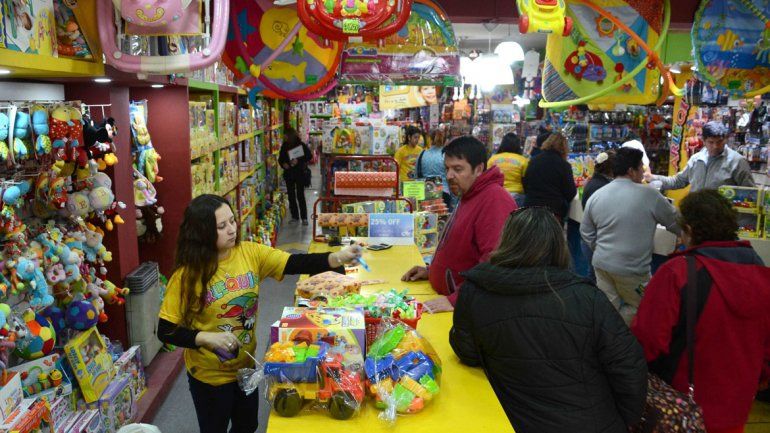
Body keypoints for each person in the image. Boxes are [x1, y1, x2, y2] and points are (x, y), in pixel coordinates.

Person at [157, 195, 363, 433]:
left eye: (232, 221)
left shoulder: (249, 253)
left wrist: (337, 257)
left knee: (247, 425)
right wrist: (204, 337)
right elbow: (165, 330)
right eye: (222, 226)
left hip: (246, 365)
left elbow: (294, 263)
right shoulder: (187, 276)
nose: (232, 229)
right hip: (209, 376)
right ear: (202, 232)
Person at [450, 207, 647, 433]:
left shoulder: (475, 291)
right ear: (558, 245)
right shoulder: (587, 298)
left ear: (507, 241)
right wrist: (625, 418)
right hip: (592, 421)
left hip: (512, 420)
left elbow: (466, 351)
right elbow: (629, 367)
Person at [632, 190, 770, 433]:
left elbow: (648, 340)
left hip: (682, 407)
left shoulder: (677, 273)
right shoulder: (762, 275)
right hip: (737, 405)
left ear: (690, 230)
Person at [401, 136, 516, 310]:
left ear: (478, 169)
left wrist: (456, 300)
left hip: (467, 309)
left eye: (457, 169)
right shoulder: (470, 193)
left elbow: (495, 263)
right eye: (447, 168)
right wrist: (431, 271)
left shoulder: (494, 199)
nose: (449, 176)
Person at [581, 147, 680, 324]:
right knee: (641, 307)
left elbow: (586, 232)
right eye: (641, 166)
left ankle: (607, 340)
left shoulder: (597, 195)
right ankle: (621, 341)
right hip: (632, 270)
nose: (644, 171)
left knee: (607, 307)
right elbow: (675, 222)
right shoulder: (649, 195)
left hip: (602, 265)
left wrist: (602, 249)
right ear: (630, 170)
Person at [645, 121, 755, 191]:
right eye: (711, 142)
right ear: (704, 141)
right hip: (697, 218)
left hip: (723, 222)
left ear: (726, 139)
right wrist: (653, 178)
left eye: (719, 142)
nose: (715, 146)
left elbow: (750, 193)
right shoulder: (696, 159)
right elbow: (678, 181)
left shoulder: (737, 162)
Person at [522, 133, 577, 222]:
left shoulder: (533, 161)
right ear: (564, 148)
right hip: (552, 212)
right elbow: (570, 193)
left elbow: (525, 183)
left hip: (530, 209)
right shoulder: (564, 165)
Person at [579, 150, 615, 284]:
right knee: (598, 279)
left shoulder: (592, 183)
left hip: (589, 239)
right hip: (596, 240)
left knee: (593, 275)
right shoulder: (604, 187)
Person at [278, 127, 312, 225]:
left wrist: (299, 160)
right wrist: (283, 164)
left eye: (285, 135)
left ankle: (304, 217)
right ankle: (295, 217)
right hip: (289, 174)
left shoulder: (301, 145)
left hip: (299, 173)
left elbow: (309, 156)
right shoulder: (285, 146)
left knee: (300, 195)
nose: (284, 136)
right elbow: (280, 159)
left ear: (290, 135)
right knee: (291, 196)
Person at [417, 126, 453, 211]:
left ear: (430, 139)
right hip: (444, 193)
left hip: (426, 192)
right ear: (444, 140)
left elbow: (416, 175)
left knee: (427, 222)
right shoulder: (446, 156)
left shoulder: (422, 154)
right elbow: (451, 178)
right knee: (443, 222)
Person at [488, 133, 528, 207]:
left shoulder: (492, 159)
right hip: (517, 196)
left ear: (502, 144)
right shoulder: (523, 160)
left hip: (497, 195)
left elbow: (488, 179)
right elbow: (526, 181)